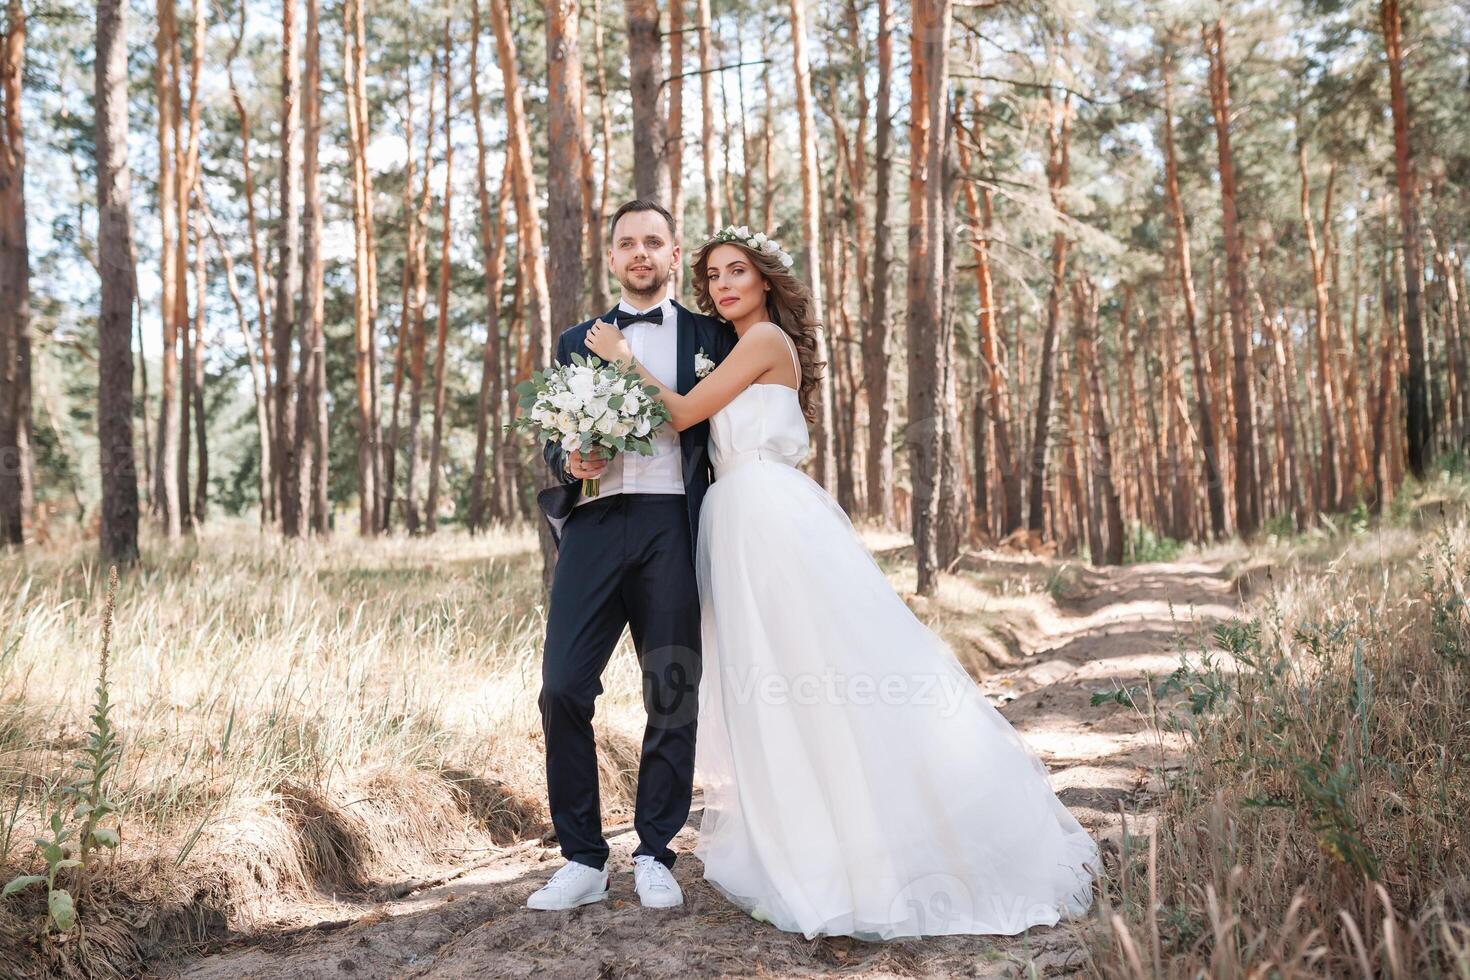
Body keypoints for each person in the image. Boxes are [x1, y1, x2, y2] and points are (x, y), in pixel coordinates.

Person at [583, 225, 1100, 940]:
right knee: (771, 687)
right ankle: (804, 836)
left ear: (765, 280)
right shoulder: (732, 348)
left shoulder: (764, 343)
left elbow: (678, 415)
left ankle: (855, 853)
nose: (724, 285)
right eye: (714, 276)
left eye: (738, 271)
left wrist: (617, 359)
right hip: (733, 523)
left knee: (813, 679)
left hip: (767, 520)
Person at [527, 200, 737, 912]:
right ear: (611, 258)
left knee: (671, 689)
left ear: (674, 256)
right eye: (628, 243)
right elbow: (554, 435)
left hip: (672, 525)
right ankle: (583, 859)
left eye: (654, 241)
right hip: (592, 523)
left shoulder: (713, 334)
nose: (640, 252)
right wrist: (570, 457)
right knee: (561, 687)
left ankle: (654, 850)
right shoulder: (576, 339)